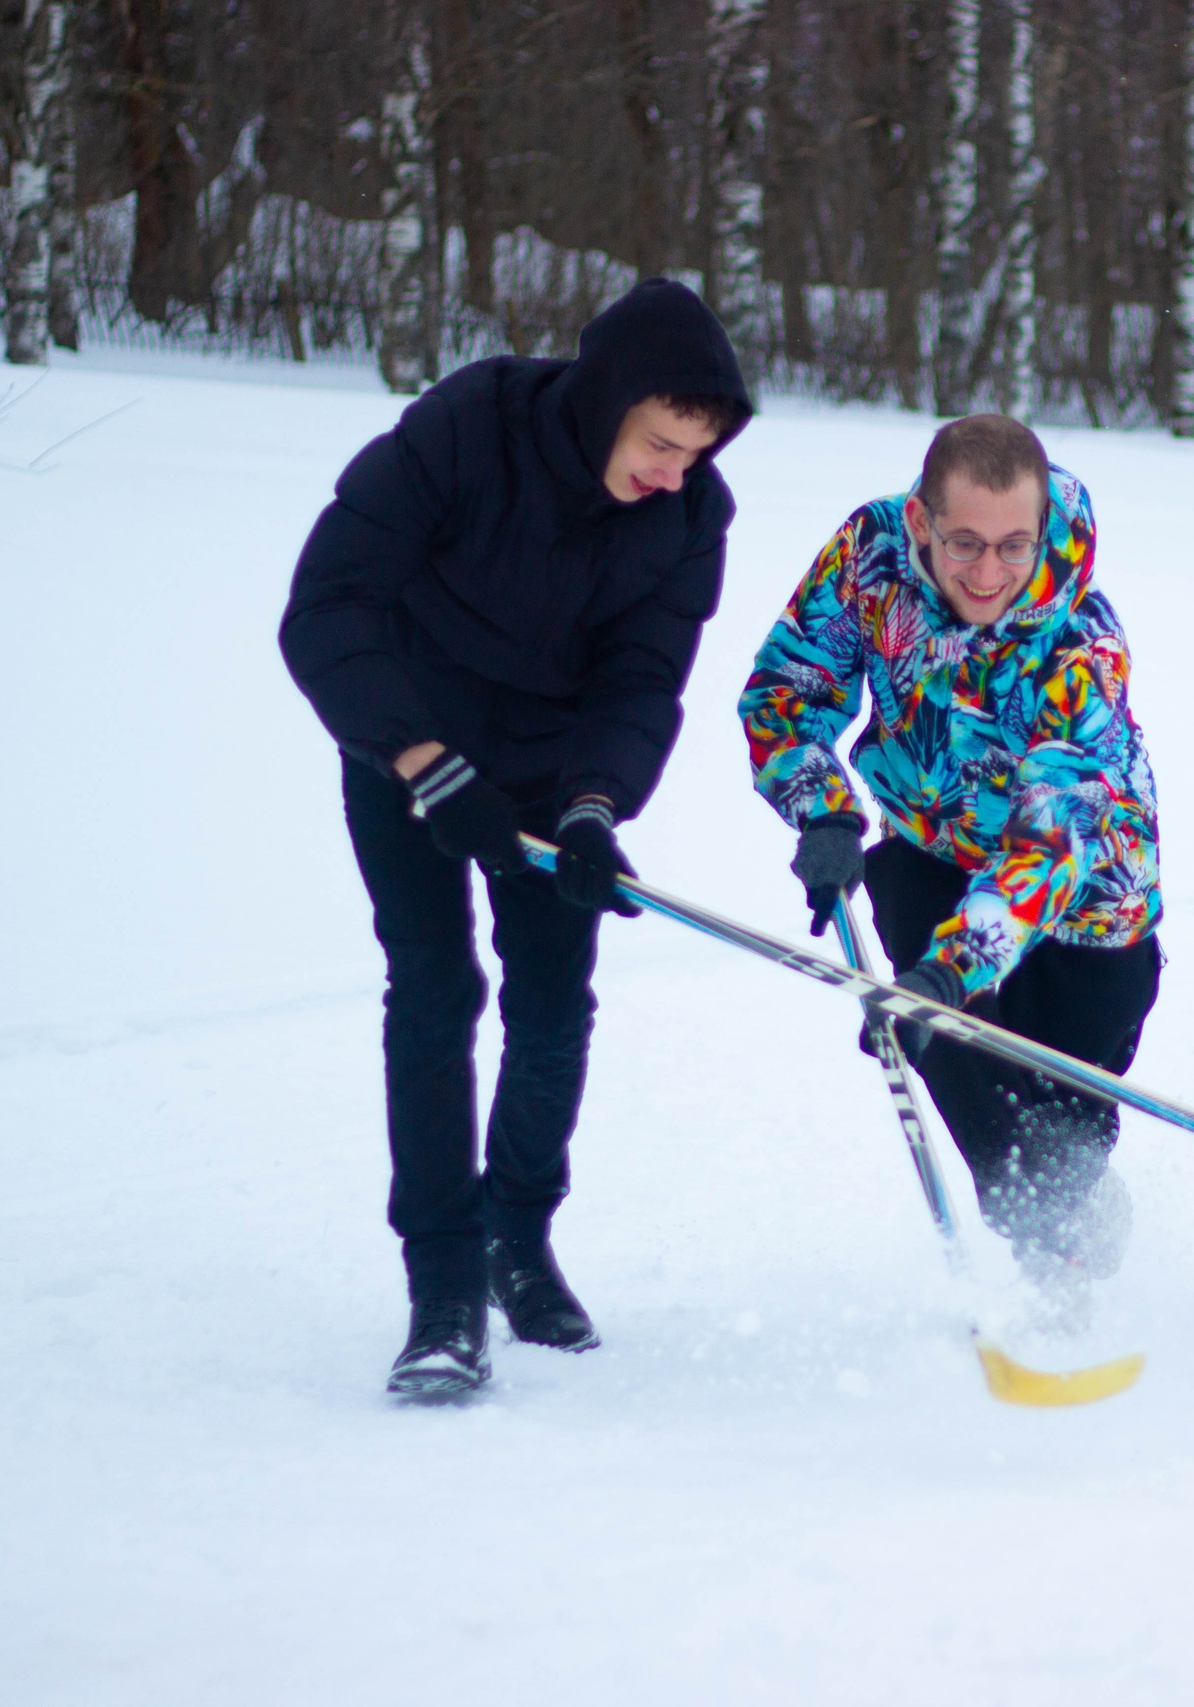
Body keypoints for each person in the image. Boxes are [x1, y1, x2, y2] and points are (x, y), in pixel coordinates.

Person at [281, 280, 751, 1398]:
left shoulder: (689, 516)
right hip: (407, 744)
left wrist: (595, 802)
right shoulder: (465, 429)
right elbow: (328, 606)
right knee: (437, 992)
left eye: (697, 452)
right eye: (659, 444)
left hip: (549, 773)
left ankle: (516, 1240)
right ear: (605, 401)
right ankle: (443, 1282)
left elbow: (642, 678)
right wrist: (420, 761)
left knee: (552, 1001)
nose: (674, 472)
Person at [739, 415, 1161, 1325]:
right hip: (929, 854)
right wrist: (821, 809)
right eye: (964, 541)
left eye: (1014, 543)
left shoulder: (1082, 641)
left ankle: (1076, 1222)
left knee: (1065, 1136)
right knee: (971, 1084)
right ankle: (1057, 1289)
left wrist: (952, 966)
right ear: (924, 521)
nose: (988, 571)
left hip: (1085, 904)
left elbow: (1053, 838)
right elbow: (789, 690)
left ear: (1042, 527)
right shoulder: (871, 557)